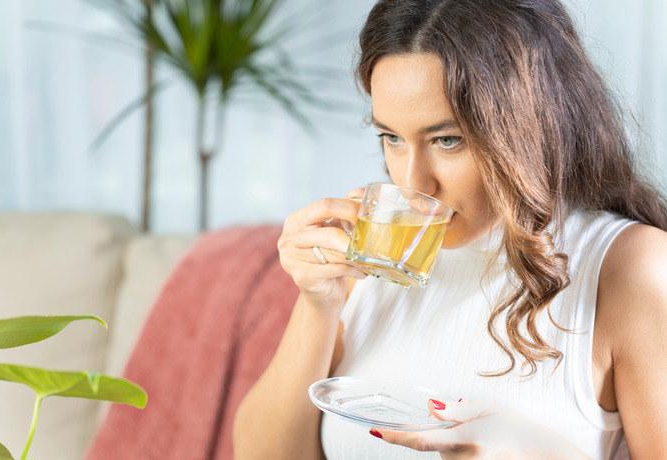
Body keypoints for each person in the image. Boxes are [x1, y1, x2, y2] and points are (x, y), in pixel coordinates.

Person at [233, 0, 667, 458]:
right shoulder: (385, 262)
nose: (412, 182)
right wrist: (318, 304)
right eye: (393, 138)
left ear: (531, 126)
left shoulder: (634, 269)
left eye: (448, 139)